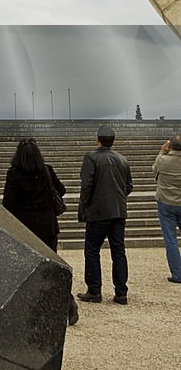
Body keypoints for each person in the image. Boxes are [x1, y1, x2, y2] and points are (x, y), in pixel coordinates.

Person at [2, 138, 79, 325]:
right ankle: (67, 303)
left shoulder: (14, 174)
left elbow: (8, 204)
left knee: (25, 269)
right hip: (47, 226)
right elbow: (62, 189)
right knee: (51, 268)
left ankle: (30, 308)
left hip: (25, 228)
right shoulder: (46, 169)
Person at [77, 124, 133, 305]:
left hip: (98, 212)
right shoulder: (122, 159)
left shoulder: (91, 157)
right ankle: (121, 292)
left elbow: (86, 185)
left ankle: (94, 290)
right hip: (118, 212)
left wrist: (86, 204)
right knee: (118, 251)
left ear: (98, 140)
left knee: (92, 250)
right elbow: (129, 186)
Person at [152, 134, 181, 284]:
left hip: (166, 203)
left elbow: (154, 170)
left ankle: (177, 273)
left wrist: (163, 151)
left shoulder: (163, 160)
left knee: (171, 239)